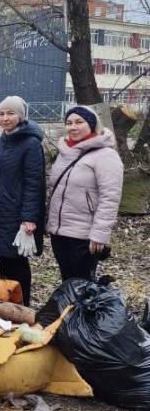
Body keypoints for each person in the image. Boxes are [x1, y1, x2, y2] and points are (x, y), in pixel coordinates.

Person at [0, 96, 45, 306]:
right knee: (3, 261)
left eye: (11, 113)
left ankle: (22, 307)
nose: (5, 118)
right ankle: (7, 305)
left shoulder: (31, 144)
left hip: (15, 215)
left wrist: (29, 218)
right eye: (2, 113)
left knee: (16, 263)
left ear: (21, 116)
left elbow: (35, 183)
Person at [47, 105, 123, 281]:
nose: (73, 127)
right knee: (67, 280)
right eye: (69, 123)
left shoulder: (105, 155)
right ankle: (71, 309)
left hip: (84, 234)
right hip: (60, 232)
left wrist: (99, 234)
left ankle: (84, 309)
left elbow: (109, 198)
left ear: (92, 124)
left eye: (79, 122)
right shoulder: (65, 153)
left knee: (83, 283)